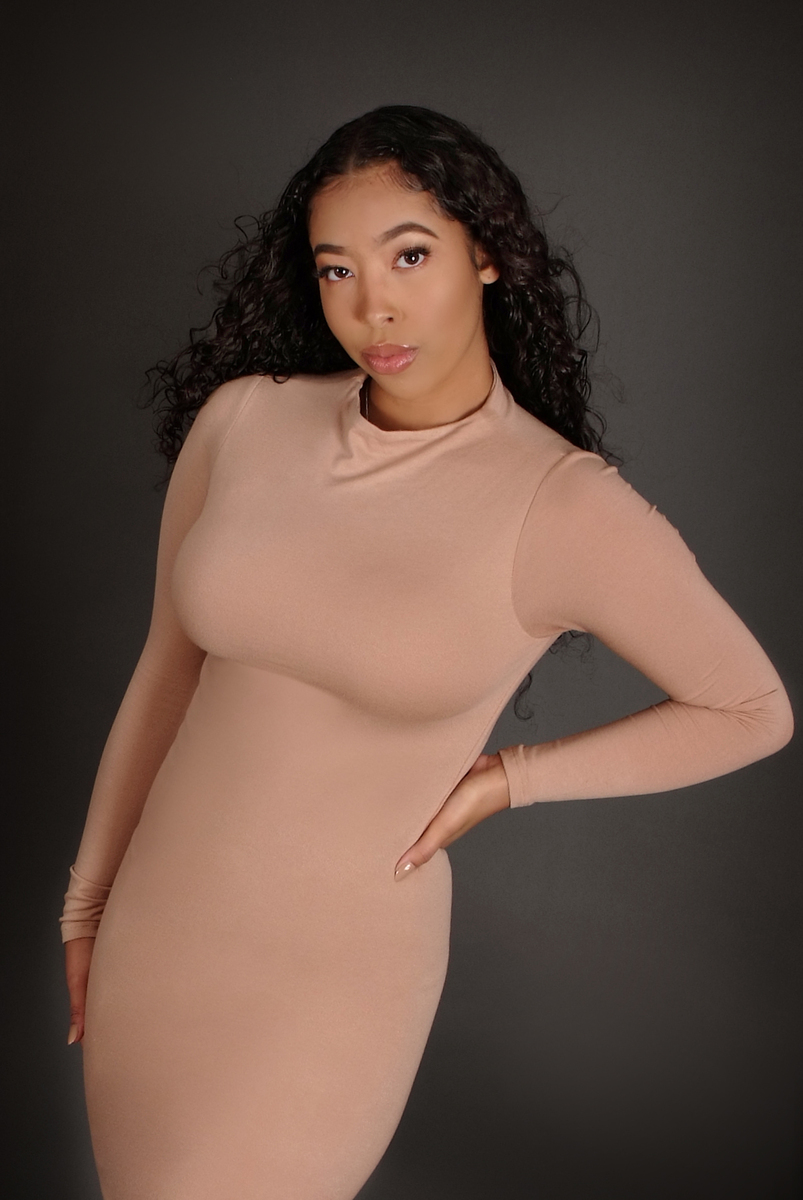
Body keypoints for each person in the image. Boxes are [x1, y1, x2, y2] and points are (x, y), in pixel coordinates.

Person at [60, 104, 793, 1200]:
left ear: (485, 254)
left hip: (332, 969)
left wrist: (510, 779)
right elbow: (165, 673)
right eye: (337, 270)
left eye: (408, 256)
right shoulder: (244, 423)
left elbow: (749, 710)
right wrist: (87, 904)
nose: (374, 306)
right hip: (158, 930)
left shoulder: (562, 504)